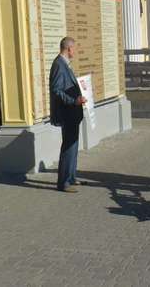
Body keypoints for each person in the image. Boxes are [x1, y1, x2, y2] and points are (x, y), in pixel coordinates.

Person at [49, 37, 86, 193]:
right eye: (75, 49)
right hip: (67, 112)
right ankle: (63, 183)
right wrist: (73, 101)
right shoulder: (58, 65)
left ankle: (71, 177)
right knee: (68, 147)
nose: (75, 52)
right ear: (69, 49)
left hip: (73, 112)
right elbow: (56, 90)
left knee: (73, 145)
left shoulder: (64, 64)